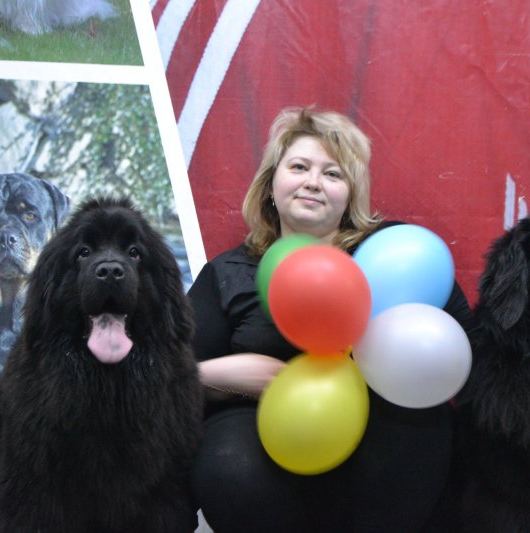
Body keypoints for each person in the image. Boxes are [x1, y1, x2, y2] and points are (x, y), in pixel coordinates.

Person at [187, 106, 474, 532]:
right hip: (263, 427)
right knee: (230, 463)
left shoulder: (396, 255)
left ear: (351, 195)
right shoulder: (228, 272)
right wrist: (218, 372)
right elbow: (164, 378)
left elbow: (467, 355)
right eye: (299, 167)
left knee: (416, 425)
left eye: (333, 174)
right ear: (271, 186)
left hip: (387, 441)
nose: (313, 182)